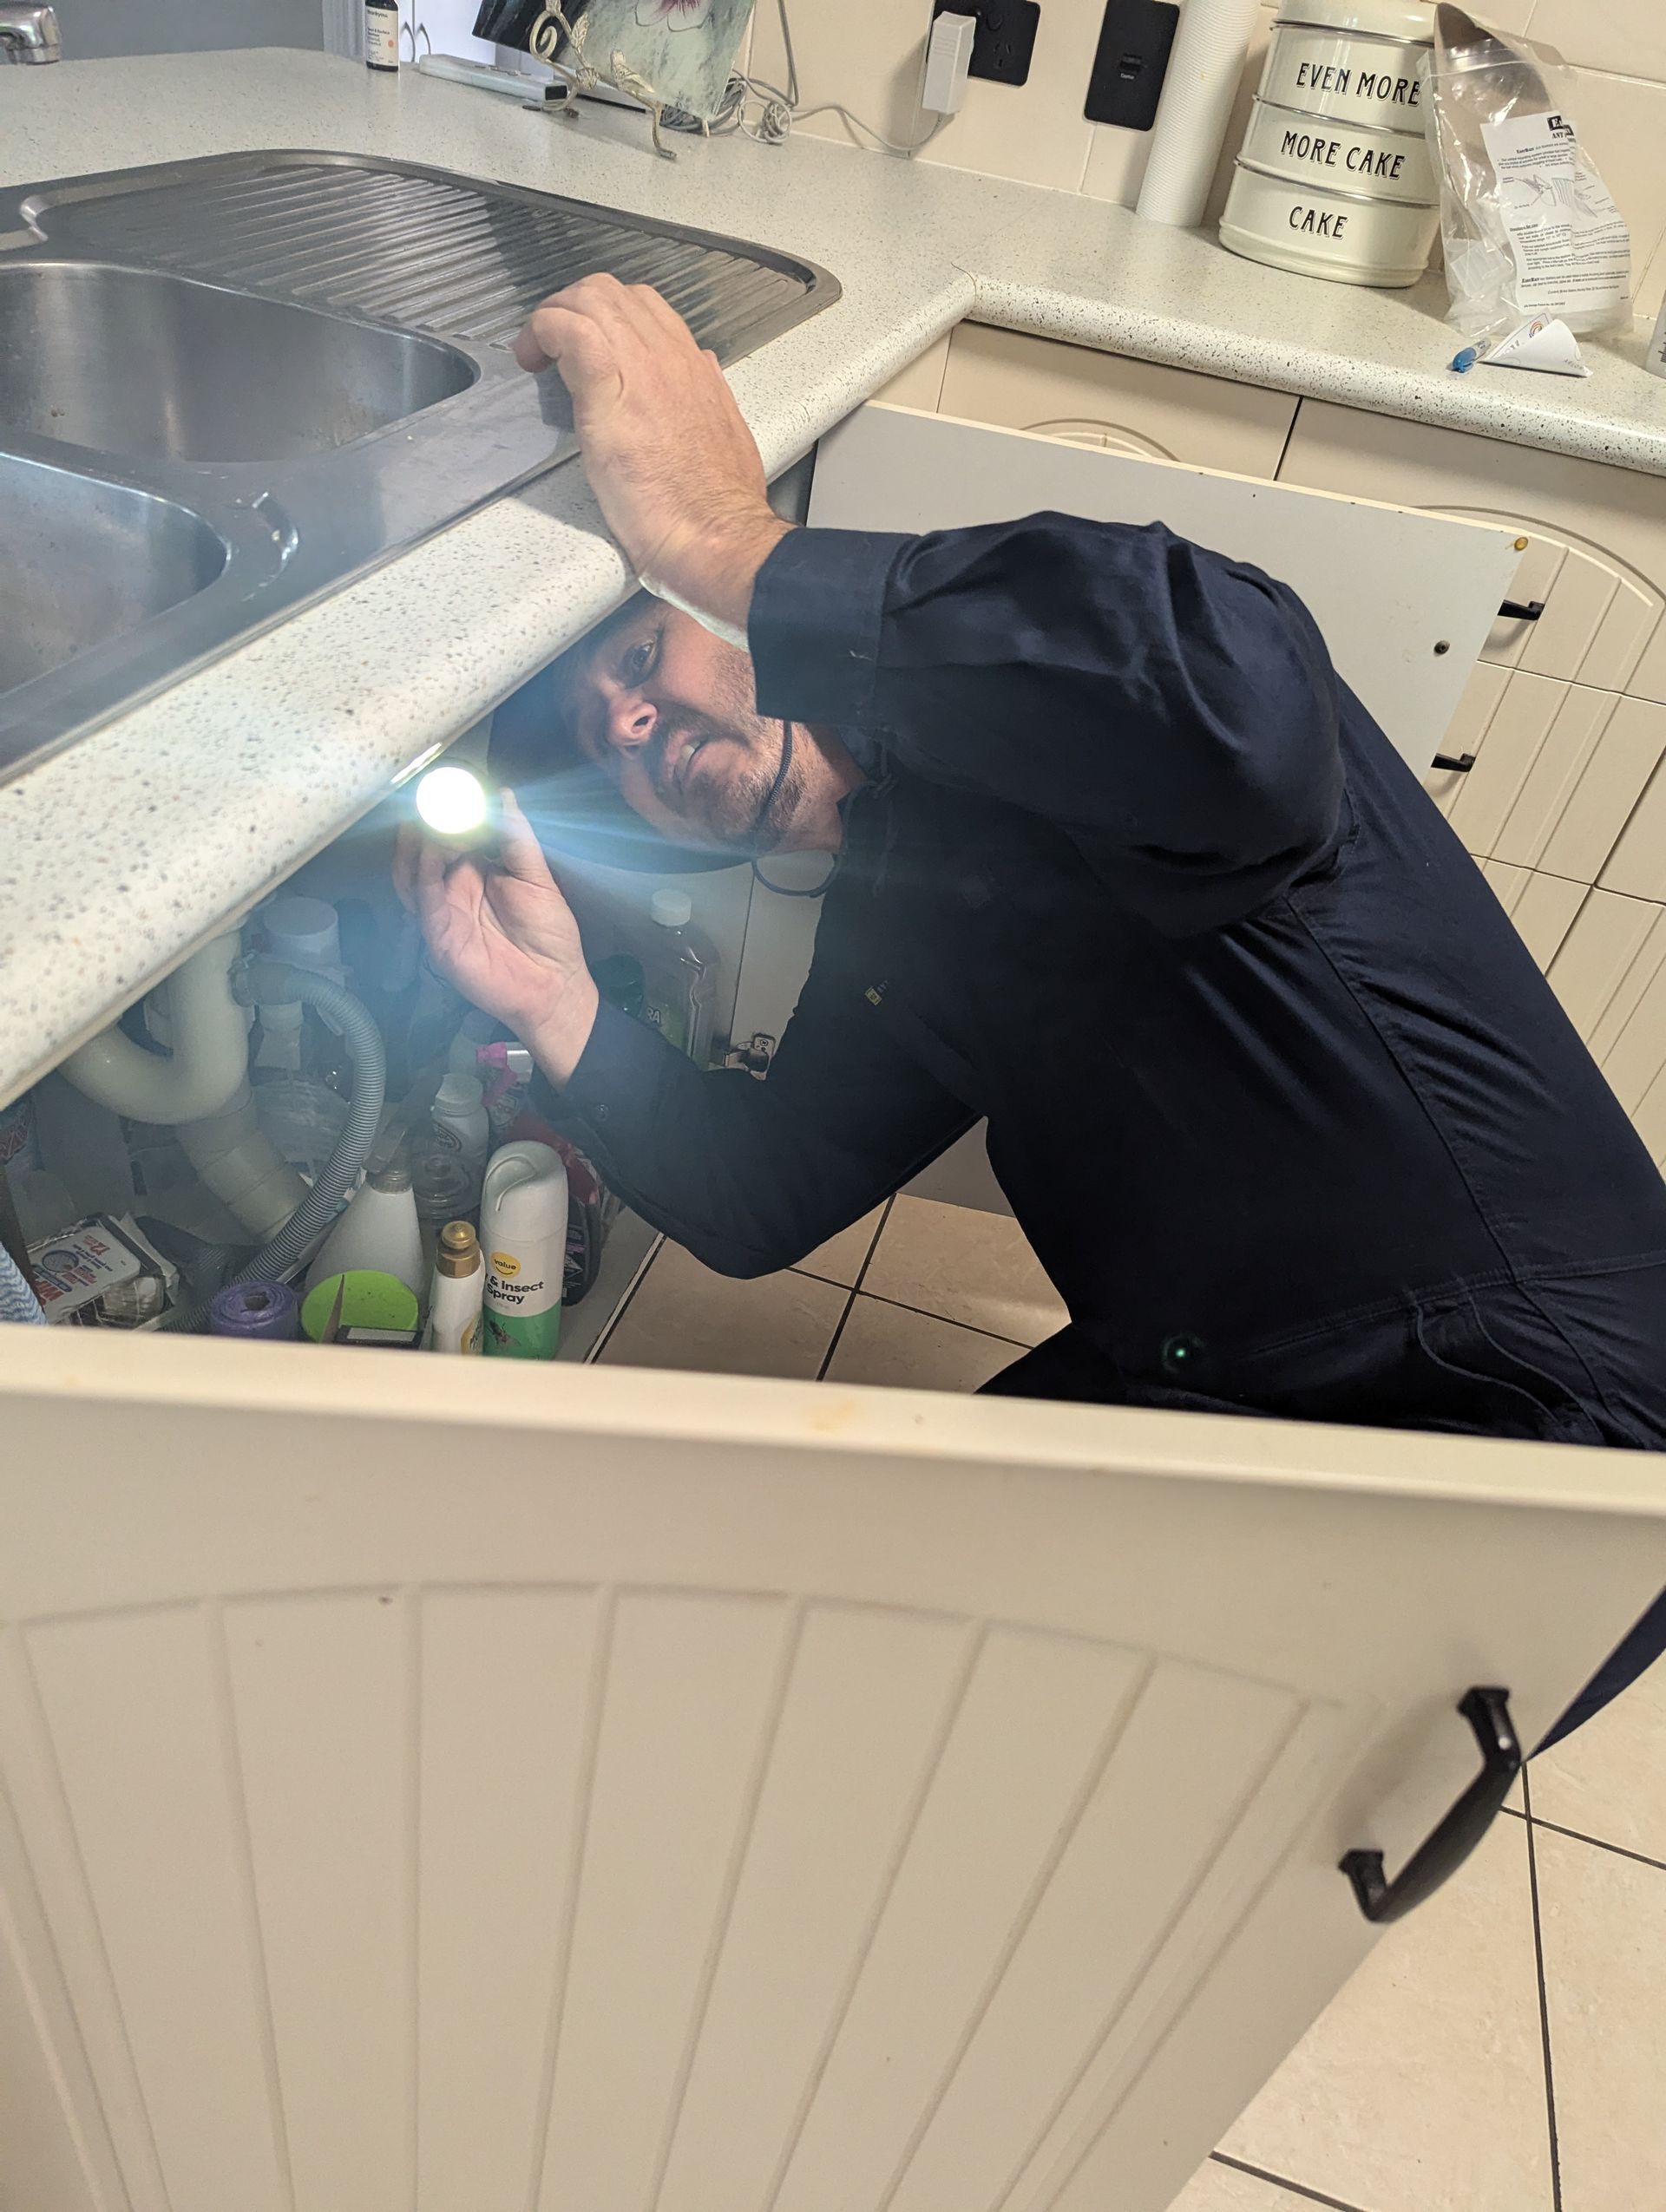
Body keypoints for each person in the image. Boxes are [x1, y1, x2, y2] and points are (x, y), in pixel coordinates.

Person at [402, 275, 1666, 1734]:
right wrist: (554, 993)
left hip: (1528, 1434)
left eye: (636, 659)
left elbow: (1246, 705)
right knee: (865, 1642)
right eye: (602, 745)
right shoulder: (899, 904)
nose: (632, 726)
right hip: (1210, 1377)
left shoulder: (1070, 719)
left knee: (1044, 1759)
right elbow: (765, 1192)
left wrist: (726, 535)